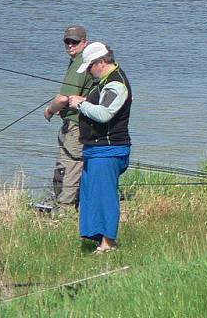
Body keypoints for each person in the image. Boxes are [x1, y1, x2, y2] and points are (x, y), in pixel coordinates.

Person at [66, 42, 131, 253]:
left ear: (101, 63)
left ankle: (108, 245)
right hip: (96, 150)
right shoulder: (104, 82)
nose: (88, 72)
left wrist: (80, 104)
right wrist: (85, 100)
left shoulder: (116, 84)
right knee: (91, 195)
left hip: (109, 150)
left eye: (90, 67)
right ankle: (98, 239)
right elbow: (102, 104)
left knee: (104, 196)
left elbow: (104, 114)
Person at [43, 25, 94, 211]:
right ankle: (75, 203)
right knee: (77, 163)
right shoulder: (86, 60)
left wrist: (49, 110)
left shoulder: (81, 64)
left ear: (84, 42)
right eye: (67, 41)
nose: (70, 45)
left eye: (75, 42)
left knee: (69, 164)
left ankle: (65, 208)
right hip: (84, 121)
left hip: (75, 124)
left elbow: (63, 98)